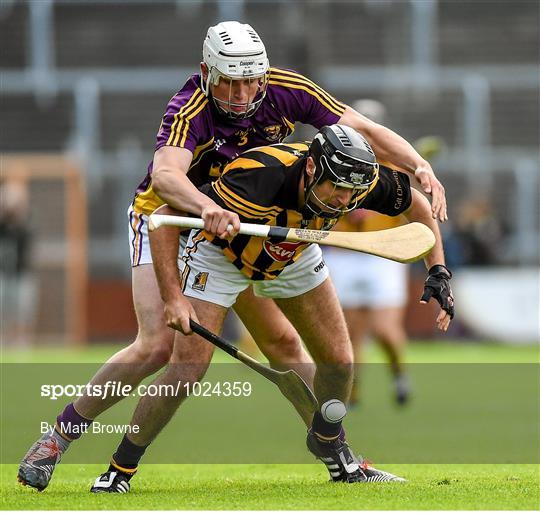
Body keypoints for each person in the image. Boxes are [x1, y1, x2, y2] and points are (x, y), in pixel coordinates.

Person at [18, 21, 448, 492]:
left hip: (247, 220)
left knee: (284, 345)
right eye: (230, 81)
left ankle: (337, 454)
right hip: (171, 221)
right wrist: (206, 208)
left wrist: (417, 166)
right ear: (207, 72)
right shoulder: (191, 108)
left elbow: (361, 128)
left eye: (250, 80)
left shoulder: (286, 90)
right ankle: (57, 439)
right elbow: (165, 178)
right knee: (160, 345)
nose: (242, 94)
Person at [92, 124, 453, 491]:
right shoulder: (256, 176)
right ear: (312, 168)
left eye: (353, 194)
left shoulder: (360, 180)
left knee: (341, 364)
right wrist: (172, 296)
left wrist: (438, 271)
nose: (345, 201)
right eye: (338, 190)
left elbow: (417, 207)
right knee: (187, 370)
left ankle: (329, 442)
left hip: (292, 253)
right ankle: (119, 469)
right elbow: (165, 220)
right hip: (220, 256)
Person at [324, 100, 446, 406]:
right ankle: (352, 391)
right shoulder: (334, 159)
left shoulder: (393, 166)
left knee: (385, 331)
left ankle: (399, 375)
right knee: (350, 332)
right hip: (343, 253)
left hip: (384, 255)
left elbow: (412, 206)